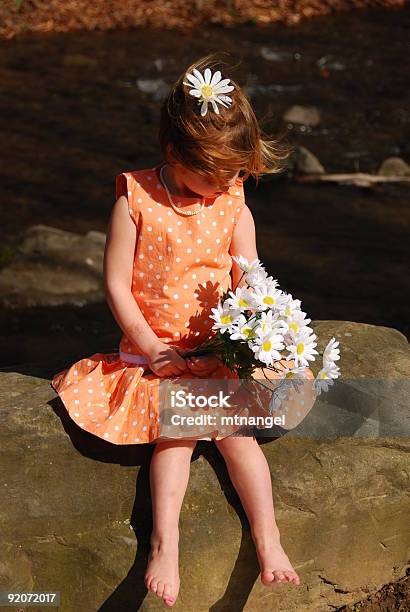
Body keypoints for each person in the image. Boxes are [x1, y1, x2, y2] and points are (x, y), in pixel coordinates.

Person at [51, 52, 316, 607]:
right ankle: (163, 545)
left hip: (219, 352)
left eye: (234, 175)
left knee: (239, 439)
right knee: (177, 436)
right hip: (159, 356)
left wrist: (249, 338)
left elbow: (251, 280)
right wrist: (151, 349)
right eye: (211, 175)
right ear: (174, 152)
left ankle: (268, 540)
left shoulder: (233, 203)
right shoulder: (137, 199)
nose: (223, 186)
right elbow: (118, 286)